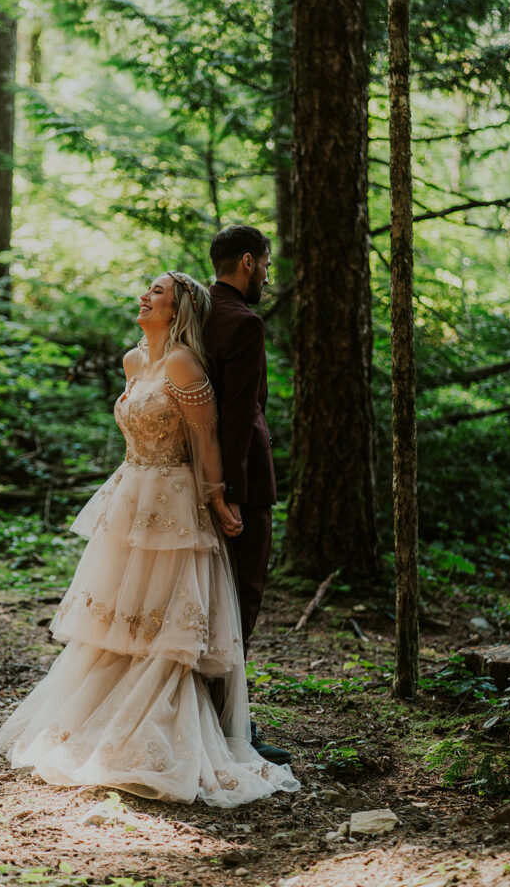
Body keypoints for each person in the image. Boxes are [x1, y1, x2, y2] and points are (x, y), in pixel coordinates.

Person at [0, 271, 299, 807]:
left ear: (177, 311)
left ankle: (164, 724)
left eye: (157, 292)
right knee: (118, 618)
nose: (144, 297)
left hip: (176, 505)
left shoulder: (184, 364)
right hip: (130, 498)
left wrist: (219, 499)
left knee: (163, 621)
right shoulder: (134, 362)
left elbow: (204, 440)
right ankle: (100, 714)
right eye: (147, 290)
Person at [203, 225, 291, 765]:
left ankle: (210, 715)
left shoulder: (193, 316)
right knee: (241, 601)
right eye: (265, 263)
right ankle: (233, 724)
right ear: (246, 262)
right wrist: (231, 492)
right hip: (243, 486)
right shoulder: (244, 322)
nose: (267, 273)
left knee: (205, 599)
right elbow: (237, 415)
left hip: (195, 478)